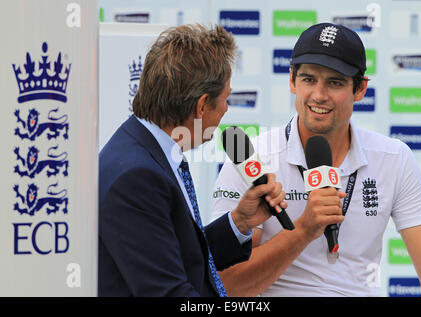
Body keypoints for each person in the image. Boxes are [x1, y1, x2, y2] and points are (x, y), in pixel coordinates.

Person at [212, 22, 421, 296]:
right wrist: (303, 230)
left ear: (360, 89)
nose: (319, 95)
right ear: (292, 80)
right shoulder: (251, 158)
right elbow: (228, 285)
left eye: (335, 82)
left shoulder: (394, 158)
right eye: (309, 79)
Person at [98, 24, 287, 297]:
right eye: (226, 98)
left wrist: (239, 222)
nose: (227, 109)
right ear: (201, 105)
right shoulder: (137, 176)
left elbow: (179, 258)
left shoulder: (147, 152)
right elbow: (168, 290)